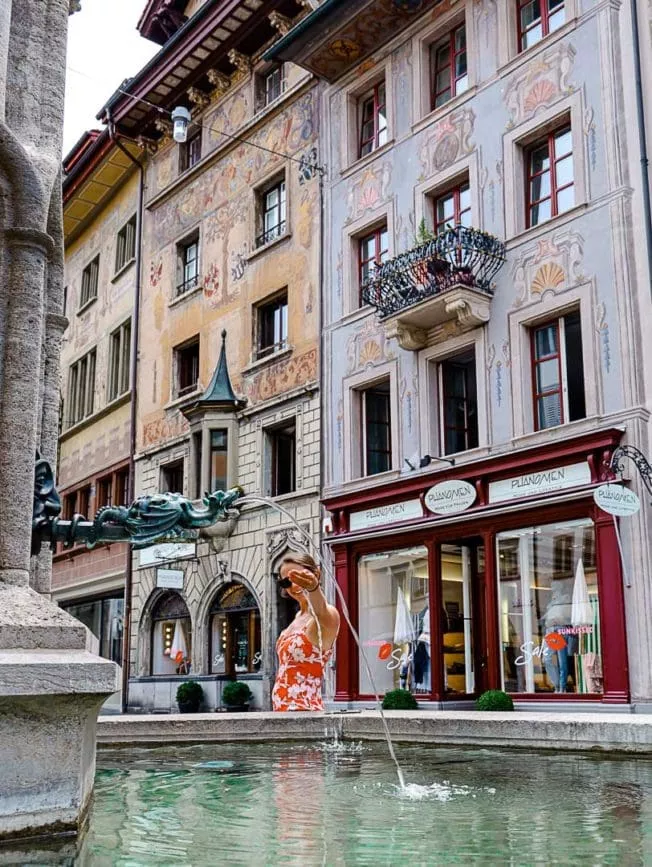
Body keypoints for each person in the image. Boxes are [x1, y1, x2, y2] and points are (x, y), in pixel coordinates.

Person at [272, 552, 340, 712]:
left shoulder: (327, 614)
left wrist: (313, 588)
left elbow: (320, 611)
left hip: (305, 711)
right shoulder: (297, 617)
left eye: (298, 578)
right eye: (287, 582)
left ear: (316, 573)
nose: (293, 585)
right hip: (282, 712)